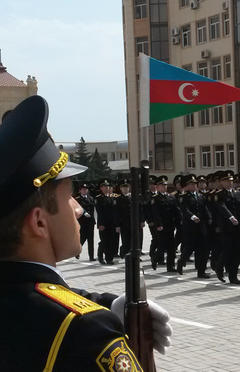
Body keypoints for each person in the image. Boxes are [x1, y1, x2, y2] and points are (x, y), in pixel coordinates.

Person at [0, 95, 171, 370]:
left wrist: (110, 304)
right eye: (69, 198)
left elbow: (27, 295)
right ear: (39, 223)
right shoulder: (86, 332)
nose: (78, 210)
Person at [177, 174, 211, 278]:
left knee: (203, 250)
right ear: (186, 186)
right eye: (191, 184)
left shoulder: (200, 196)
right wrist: (193, 217)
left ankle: (201, 271)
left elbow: (205, 209)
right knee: (189, 248)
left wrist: (209, 218)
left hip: (201, 226)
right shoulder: (183, 197)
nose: (194, 185)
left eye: (195, 183)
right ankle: (181, 261)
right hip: (190, 226)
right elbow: (184, 209)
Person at [151, 175, 181, 272]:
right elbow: (155, 213)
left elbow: (176, 211)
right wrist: (159, 224)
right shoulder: (155, 198)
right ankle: (155, 259)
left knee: (171, 247)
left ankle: (170, 266)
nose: (164, 187)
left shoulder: (171, 197)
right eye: (161, 185)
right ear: (157, 187)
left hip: (170, 225)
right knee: (161, 246)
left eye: (165, 185)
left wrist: (179, 222)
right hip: (161, 226)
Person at [95, 178, 118, 265]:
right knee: (104, 241)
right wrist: (100, 224)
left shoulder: (113, 198)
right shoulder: (99, 199)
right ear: (101, 188)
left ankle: (109, 259)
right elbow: (99, 213)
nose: (106, 188)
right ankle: (100, 256)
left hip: (112, 223)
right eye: (104, 187)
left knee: (111, 241)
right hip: (103, 223)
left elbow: (116, 212)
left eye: (107, 186)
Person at [75, 183, 96, 261]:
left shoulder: (91, 198)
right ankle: (77, 251)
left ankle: (91, 257)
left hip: (90, 221)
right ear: (80, 190)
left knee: (91, 239)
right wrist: (84, 213)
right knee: (82, 238)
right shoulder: (77, 199)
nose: (85, 190)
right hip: (82, 221)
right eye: (83, 189)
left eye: (86, 189)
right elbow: (78, 208)